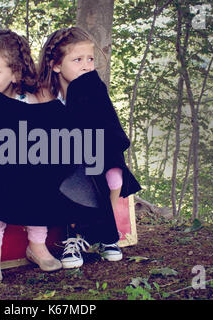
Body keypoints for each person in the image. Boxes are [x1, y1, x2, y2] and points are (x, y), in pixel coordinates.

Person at [36, 27, 141, 269]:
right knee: (73, 173)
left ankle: (104, 229)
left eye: (90, 59)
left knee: (114, 172)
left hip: (93, 157)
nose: (86, 65)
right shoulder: (47, 94)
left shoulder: (93, 90)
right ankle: (74, 234)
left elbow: (107, 128)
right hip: (58, 161)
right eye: (78, 60)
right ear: (56, 65)